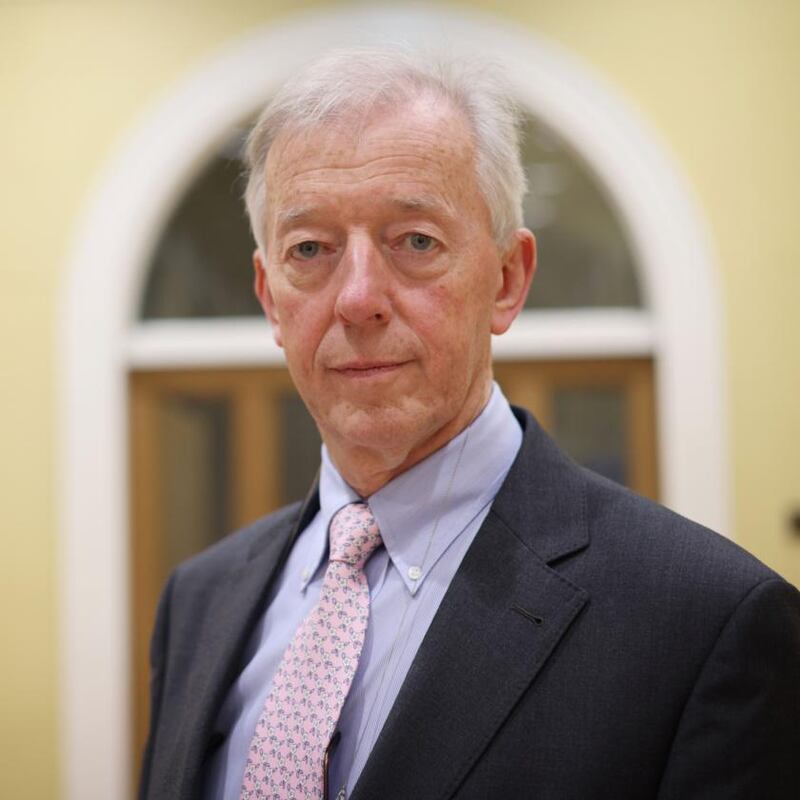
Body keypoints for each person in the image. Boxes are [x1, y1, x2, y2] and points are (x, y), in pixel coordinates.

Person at [138, 49, 800, 800]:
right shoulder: (199, 602)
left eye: (415, 241)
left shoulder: (706, 625)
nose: (357, 299)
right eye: (311, 250)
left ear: (508, 280)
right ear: (270, 298)